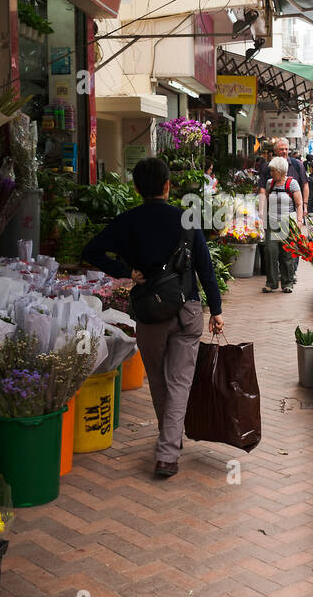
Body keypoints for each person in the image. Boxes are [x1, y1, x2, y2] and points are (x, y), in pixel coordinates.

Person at [81, 157, 224, 479]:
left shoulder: (128, 221)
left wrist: (127, 272)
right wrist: (215, 310)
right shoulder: (185, 219)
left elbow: (92, 251)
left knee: (160, 382)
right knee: (179, 382)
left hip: (150, 314)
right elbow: (205, 268)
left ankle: (168, 446)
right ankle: (168, 449)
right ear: (167, 185)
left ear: (136, 188)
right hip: (187, 310)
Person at [259, 156, 303, 294]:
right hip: (272, 223)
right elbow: (267, 201)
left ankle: (287, 283)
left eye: (273, 171)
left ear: (281, 171)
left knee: (287, 254)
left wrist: (299, 221)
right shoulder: (269, 183)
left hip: (287, 223)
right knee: (270, 252)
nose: (271, 173)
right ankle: (271, 283)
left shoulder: (292, 184)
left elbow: (299, 204)